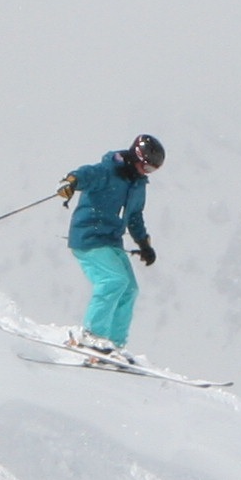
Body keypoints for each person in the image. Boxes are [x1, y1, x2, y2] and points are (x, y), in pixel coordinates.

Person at [54, 134, 165, 354]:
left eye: (152, 171)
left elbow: (134, 217)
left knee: (130, 290)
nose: (147, 173)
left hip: (111, 240)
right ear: (137, 157)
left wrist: (144, 244)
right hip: (89, 237)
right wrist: (72, 181)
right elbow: (87, 174)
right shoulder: (108, 171)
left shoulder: (137, 184)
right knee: (113, 281)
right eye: (147, 167)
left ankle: (115, 344)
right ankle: (92, 336)